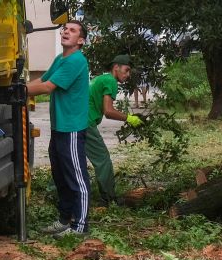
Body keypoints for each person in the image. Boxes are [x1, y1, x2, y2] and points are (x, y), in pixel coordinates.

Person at [28, 20, 92, 235]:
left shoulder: (76, 60)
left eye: (72, 30)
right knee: (61, 176)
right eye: (65, 29)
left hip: (72, 128)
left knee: (77, 177)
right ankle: (65, 220)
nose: (66, 31)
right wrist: (16, 87)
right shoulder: (61, 59)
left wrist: (17, 93)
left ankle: (80, 226)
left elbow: (47, 87)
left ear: (80, 40)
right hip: (59, 127)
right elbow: (41, 80)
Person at [86, 54, 143, 205]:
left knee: (73, 160)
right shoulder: (111, 81)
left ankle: (53, 193)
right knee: (103, 160)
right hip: (86, 123)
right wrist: (129, 118)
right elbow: (108, 111)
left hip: (77, 120)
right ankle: (109, 199)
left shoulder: (101, 78)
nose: (128, 74)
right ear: (116, 67)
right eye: (127, 70)